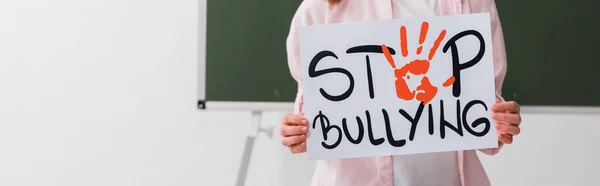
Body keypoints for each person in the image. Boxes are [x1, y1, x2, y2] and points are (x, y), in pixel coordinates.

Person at [279, 0, 523, 186]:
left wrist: (500, 122)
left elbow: (485, 113)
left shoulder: (471, 3)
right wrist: (300, 133)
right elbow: (313, 111)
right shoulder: (321, 7)